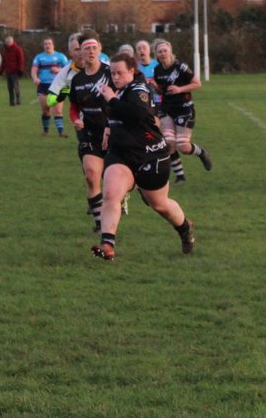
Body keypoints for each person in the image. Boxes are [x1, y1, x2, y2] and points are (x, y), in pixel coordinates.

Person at [91, 53, 195, 261]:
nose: (116, 77)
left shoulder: (139, 89)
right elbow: (112, 113)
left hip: (150, 155)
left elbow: (137, 113)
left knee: (160, 205)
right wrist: (108, 128)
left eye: (120, 73)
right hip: (121, 154)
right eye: (113, 73)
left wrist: (111, 98)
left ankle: (185, 229)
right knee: (111, 194)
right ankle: (108, 244)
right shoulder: (115, 89)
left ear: (132, 71)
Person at [66, 31, 113, 232]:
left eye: (94, 48)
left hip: (114, 133)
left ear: (100, 49)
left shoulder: (111, 73)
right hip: (90, 134)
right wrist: (76, 120)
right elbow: (74, 107)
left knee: (113, 182)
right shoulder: (76, 81)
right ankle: (100, 223)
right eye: (86, 49)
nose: (91, 51)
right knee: (92, 175)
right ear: (80, 54)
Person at [152, 38, 212, 184]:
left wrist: (180, 89)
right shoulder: (157, 69)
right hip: (167, 109)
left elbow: (197, 84)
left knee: (183, 146)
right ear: (156, 54)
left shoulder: (181, 67)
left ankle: (201, 152)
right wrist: (154, 86)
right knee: (168, 143)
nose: (163, 53)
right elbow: (162, 90)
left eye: (165, 50)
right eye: (159, 51)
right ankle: (180, 176)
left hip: (184, 109)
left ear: (170, 51)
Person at [31, 38, 69, 137]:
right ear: (43, 46)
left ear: (53, 45)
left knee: (58, 110)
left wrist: (58, 70)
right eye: (45, 44)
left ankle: (61, 132)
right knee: (45, 110)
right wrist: (35, 78)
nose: (47, 45)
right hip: (43, 86)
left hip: (57, 85)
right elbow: (34, 70)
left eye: (49, 43)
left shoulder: (60, 56)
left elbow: (69, 70)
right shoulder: (39, 57)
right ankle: (46, 131)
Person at [1, 35, 26, 106]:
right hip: (8, 72)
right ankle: (11, 102)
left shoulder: (18, 49)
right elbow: (4, 62)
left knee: (16, 87)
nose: (8, 43)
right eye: (7, 42)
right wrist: (1, 71)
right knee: (9, 88)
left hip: (15, 71)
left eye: (9, 42)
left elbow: (21, 60)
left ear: (12, 42)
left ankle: (18, 100)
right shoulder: (5, 50)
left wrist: (20, 70)